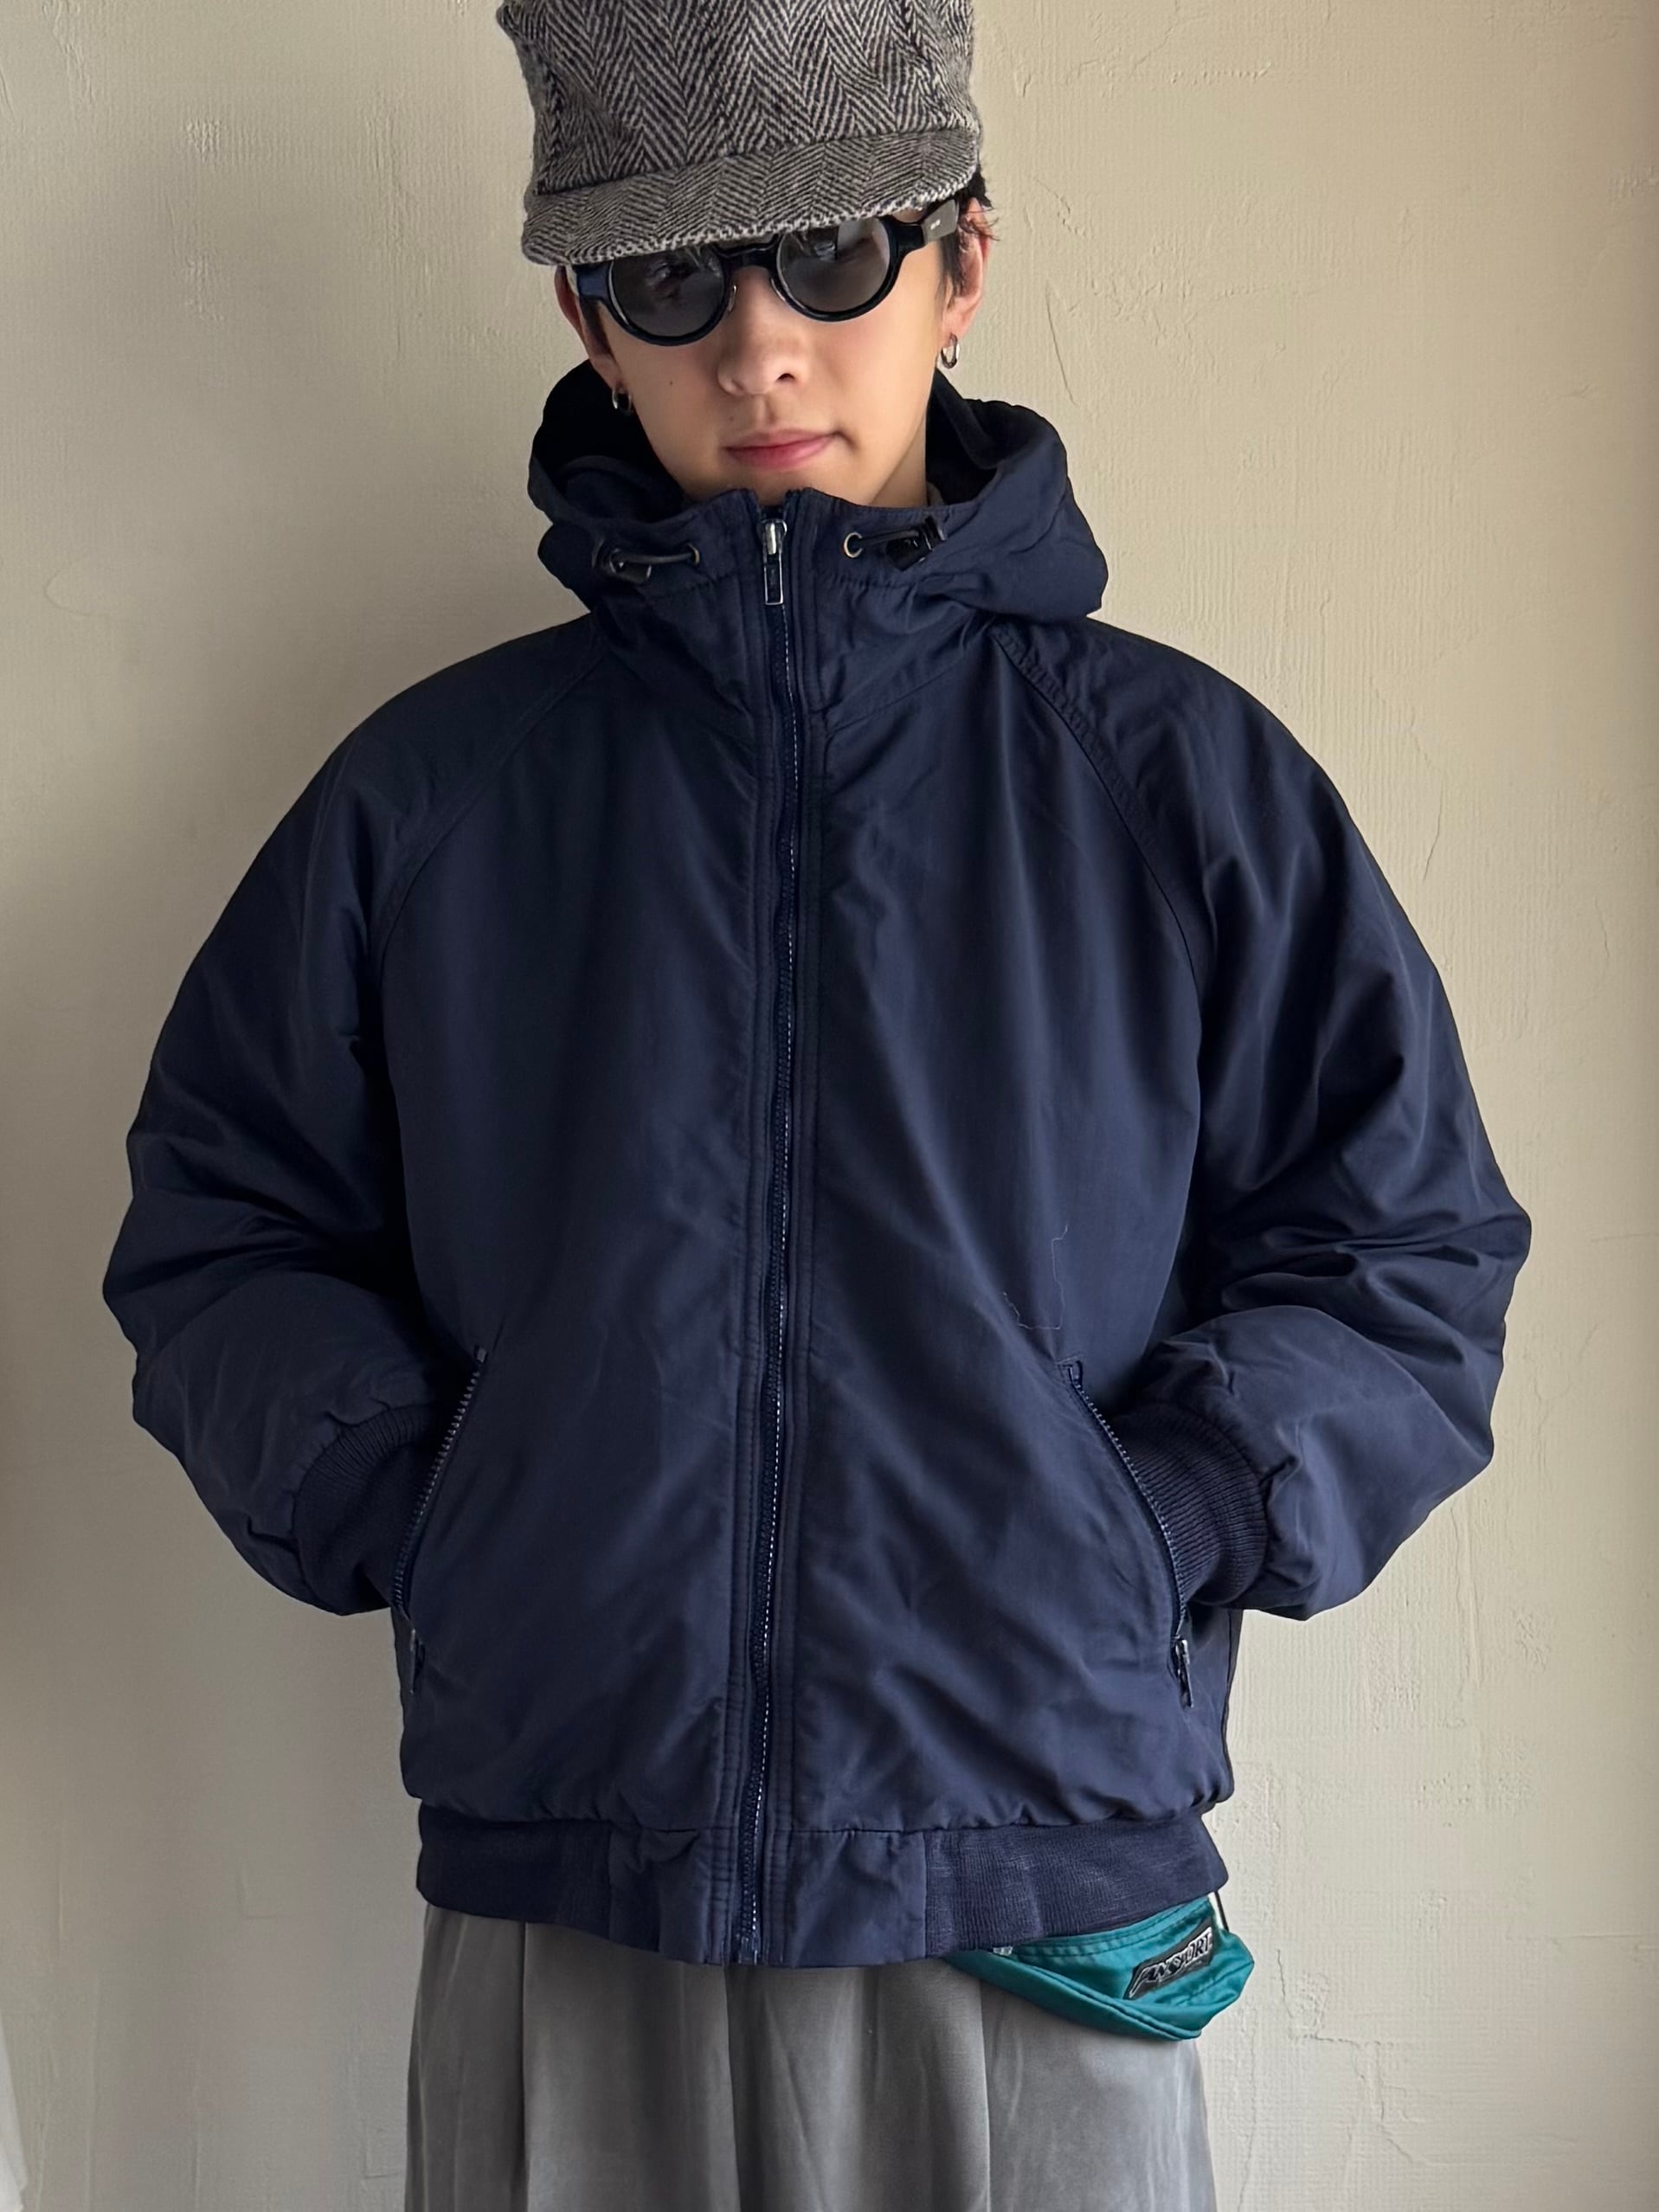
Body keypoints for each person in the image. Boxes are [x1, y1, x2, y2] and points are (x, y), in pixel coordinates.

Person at [99, 3, 1534, 2206]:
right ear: (589, 321)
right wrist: (449, 1508)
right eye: (673, 279)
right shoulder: (432, 800)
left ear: (959, 267)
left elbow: (1405, 1252)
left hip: (1035, 1875)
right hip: (572, 1871)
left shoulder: (1177, 785)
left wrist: (1149, 1521)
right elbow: (223, 1227)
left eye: (833, 255)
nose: (759, 347)